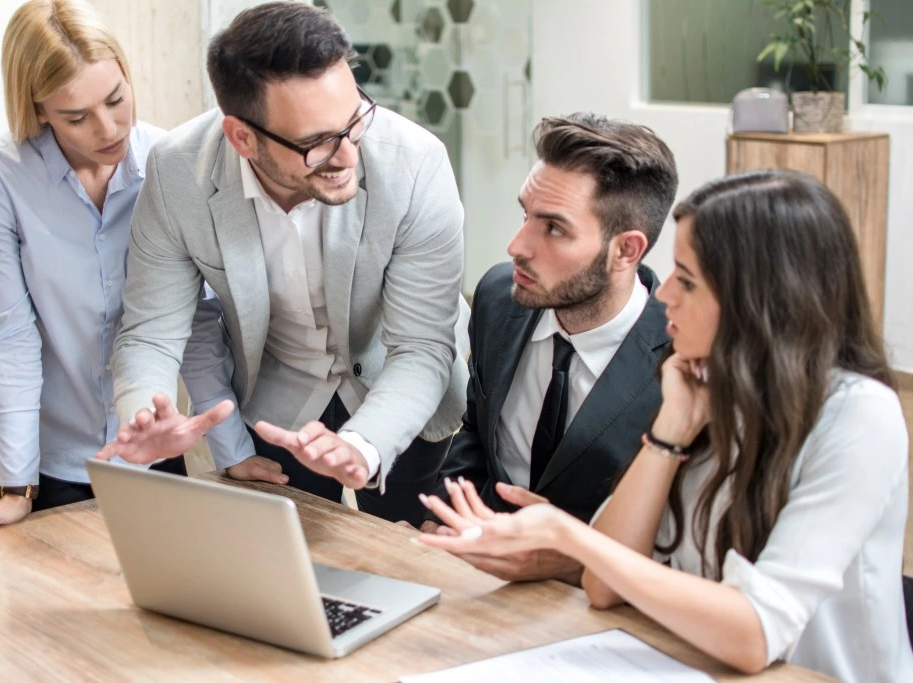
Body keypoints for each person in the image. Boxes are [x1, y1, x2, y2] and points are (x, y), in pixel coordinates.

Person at [417, 170, 913, 681]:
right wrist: (670, 430)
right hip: (687, 660)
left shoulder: (857, 416)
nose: (664, 294)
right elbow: (605, 585)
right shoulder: (699, 384)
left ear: (764, 304)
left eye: (689, 281)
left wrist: (567, 534)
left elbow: (755, 633)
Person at [95, 1, 469, 525]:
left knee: (416, 565)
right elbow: (151, 331)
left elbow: (423, 345)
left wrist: (362, 445)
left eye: (353, 121)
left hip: (403, 387)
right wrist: (141, 413)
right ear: (242, 137)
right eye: (316, 143)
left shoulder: (415, 164)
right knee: (293, 574)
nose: (346, 156)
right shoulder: (178, 170)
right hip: (279, 403)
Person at [415, 113, 677, 585]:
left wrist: (573, 560)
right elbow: (478, 428)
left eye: (554, 229)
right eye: (525, 215)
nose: (517, 246)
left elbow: (682, 539)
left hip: (607, 600)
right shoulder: (500, 297)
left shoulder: (681, 362)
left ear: (626, 251)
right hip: (482, 582)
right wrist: (448, 513)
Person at [0, 0, 180, 533]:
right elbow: (11, 334)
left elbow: (197, 317)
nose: (107, 128)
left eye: (116, 99)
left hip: (153, 443)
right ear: (37, 110)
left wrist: (230, 451)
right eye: (76, 117)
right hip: (58, 459)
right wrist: (17, 486)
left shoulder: (167, 162)